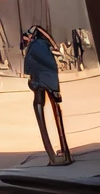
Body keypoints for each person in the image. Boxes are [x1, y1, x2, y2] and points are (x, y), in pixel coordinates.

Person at [24, 24, 73, 166]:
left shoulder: (36, 45)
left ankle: (54, 155)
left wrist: (34, 81)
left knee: (42, 108)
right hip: (49, 81)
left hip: (41, 80)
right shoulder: (43, 45)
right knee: (55, 110)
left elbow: (32, 65)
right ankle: (63, 151)